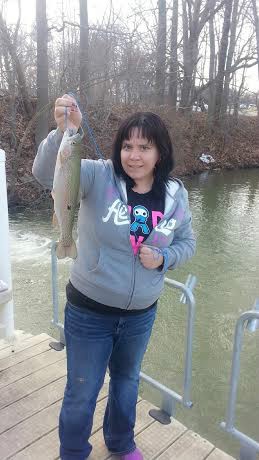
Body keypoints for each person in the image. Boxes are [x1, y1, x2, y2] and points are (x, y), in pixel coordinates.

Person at [32, 94, 196, 460]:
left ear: (159, 153)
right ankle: (73, 452)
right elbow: (46, 175)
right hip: (89, 313)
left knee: (126, 385)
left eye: (143, 147)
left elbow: (187, 242)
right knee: (82, 389)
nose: (133, 155)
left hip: (140, 317)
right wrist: (60, 133)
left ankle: (121, 443)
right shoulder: (94, 174)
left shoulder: (175, 194)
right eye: (126, 146)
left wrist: (165, 257)